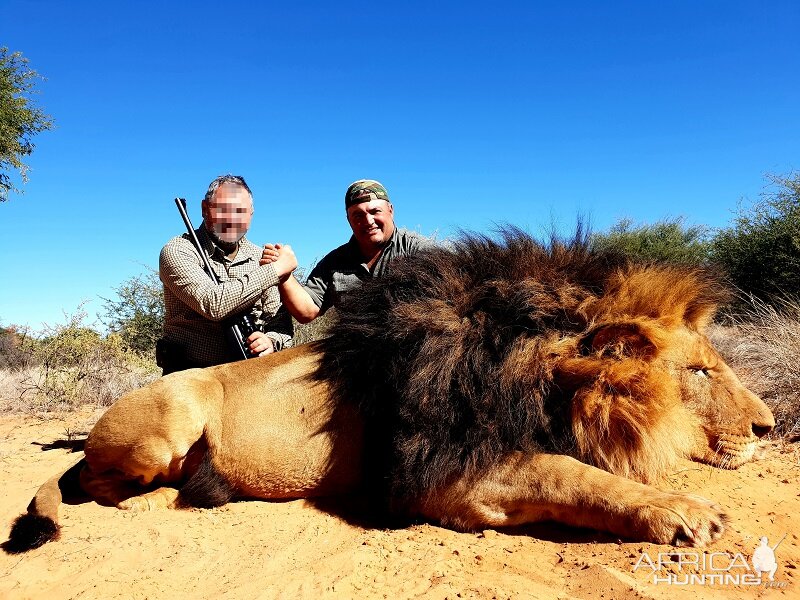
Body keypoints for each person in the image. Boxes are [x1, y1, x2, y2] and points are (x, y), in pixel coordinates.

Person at [158, 174, 297, 374]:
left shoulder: (261, 256)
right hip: (188, 378)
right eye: (223, 209)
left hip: (246, 375)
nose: (232, 220)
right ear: (205, 209)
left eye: (240, 211)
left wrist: (272, 341)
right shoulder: (178, 250)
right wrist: (275, 270)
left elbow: (278, 320)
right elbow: (213, 304)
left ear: (251, 213)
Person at [265, 179, 432, 322]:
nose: (368, 221)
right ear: (348, 220)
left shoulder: (419, 250)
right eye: (358, 215)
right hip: (354, 353)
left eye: (375, 211)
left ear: (391, 210)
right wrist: (285, 275)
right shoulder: (333, 262)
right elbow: (307, 311)